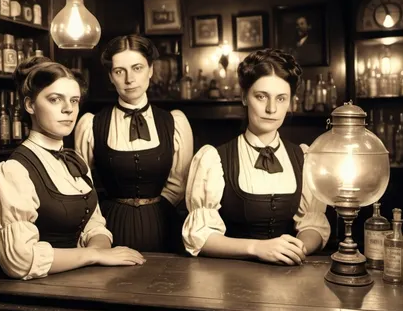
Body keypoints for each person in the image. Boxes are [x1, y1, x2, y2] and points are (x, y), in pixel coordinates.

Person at [0, 56, 145, 280]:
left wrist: (97, 251)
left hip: (81, 280)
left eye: (74, 100)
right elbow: (20, 261)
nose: (68, 109)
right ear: (30, 105)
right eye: (55, 99)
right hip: (36, 291)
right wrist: (93, 255)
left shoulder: (75, 161)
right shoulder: (13, 172)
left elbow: (94, 225)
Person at [182, 48, 330, 265]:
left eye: (281, 99)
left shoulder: (304, 157)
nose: (271, 108)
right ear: (244, 97)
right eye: (261, 97)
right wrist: (257, 248)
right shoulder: (214, 159)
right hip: (231, 279)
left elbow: (312, 224)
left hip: (288, 278)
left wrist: (296, 249)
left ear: (291, 102)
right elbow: (200, 237)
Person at [75, 34, 193, 253]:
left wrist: (150, 213)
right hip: (111, 228)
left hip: (164, 228)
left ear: (151, 70)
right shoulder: (91, 124)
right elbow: (83, 187)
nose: (129, 79)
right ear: (111, 76)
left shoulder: (175, 122)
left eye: (137, 68)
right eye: (120, 71)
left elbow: (179, 183)